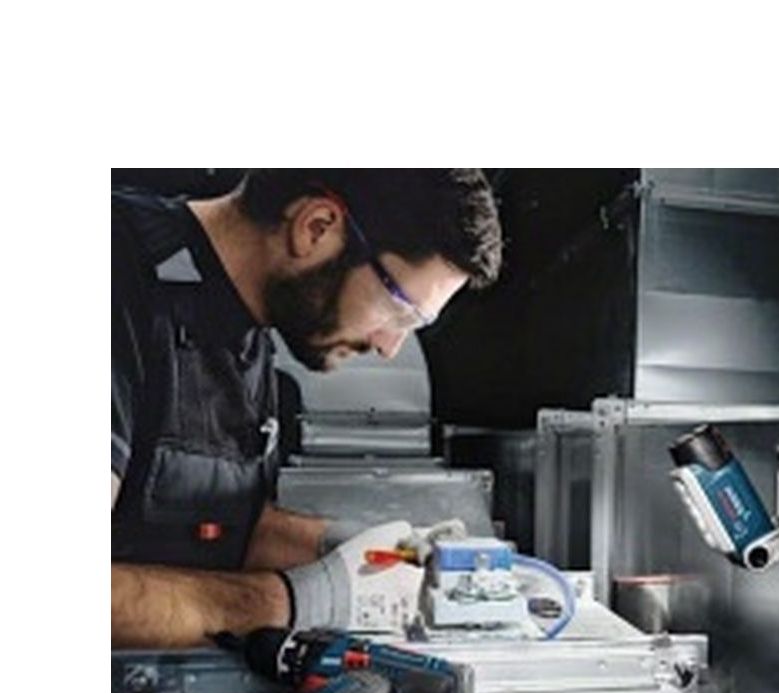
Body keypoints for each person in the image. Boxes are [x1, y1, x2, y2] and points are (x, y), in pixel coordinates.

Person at [111, 169, 503, 648]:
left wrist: (353, 547)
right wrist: (291, 602)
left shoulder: (249, 324)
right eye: (399, 311)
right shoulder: (113, 273)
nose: (389, 347)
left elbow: (203, 525)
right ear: (316, 227)